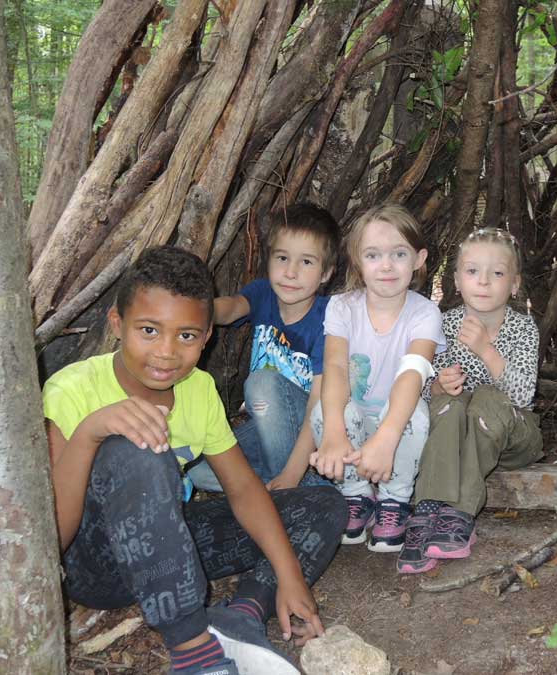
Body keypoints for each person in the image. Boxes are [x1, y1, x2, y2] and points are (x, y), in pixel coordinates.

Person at [43, 246, 347, 675]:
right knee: (137, 447)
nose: (166, 352)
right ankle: (193, 649)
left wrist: (288, 571)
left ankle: (242, 615)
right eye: (149, 330)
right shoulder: (71, 390)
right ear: (117, 324)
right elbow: (53, 537)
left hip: (167, 545)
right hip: (95, 565)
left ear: (206, 338)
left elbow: (242, 488)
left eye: (186, 335)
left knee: (325, 505)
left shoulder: (198, 389)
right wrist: (93, 430)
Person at [397, 227, 544, 574]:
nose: (483, 281)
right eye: (472, 271)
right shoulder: (442, 325)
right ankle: (429, 509)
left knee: (486, 399)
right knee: (450, 404)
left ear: (514, 284)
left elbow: (522, 396)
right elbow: (418, 391)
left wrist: (485, 350)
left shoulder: (524, 329)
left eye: (497, 273)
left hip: (513, 438)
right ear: (457, 281)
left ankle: (460, 511)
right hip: (455, 437)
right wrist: (438, 387)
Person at [309, 204, 446, 552]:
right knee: (326, 413)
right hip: (356, 421)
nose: (386, 265)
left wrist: (386, 437)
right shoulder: (341, 307)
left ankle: (393, 501)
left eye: (399, 254)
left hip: (396, 425)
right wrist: (335, 435)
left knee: (413, 413)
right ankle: (356, 496)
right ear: (357, 260)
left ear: (419, 259)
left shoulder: (425, 313)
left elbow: (412, 374)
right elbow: (336, 368)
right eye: (373, 254)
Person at [187, 204, 339, 493]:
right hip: (268, 431)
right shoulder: (262, 293)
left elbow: (319, 404)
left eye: (306, 262)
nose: (291, 272)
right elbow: (230, 310)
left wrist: (292, 473)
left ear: (326, 273)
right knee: (200, 470)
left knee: (262, 382)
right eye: (282, 258)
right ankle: (300, 488)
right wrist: (192, 309)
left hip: (314, 431)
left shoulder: (329, 318)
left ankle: (289, 490)